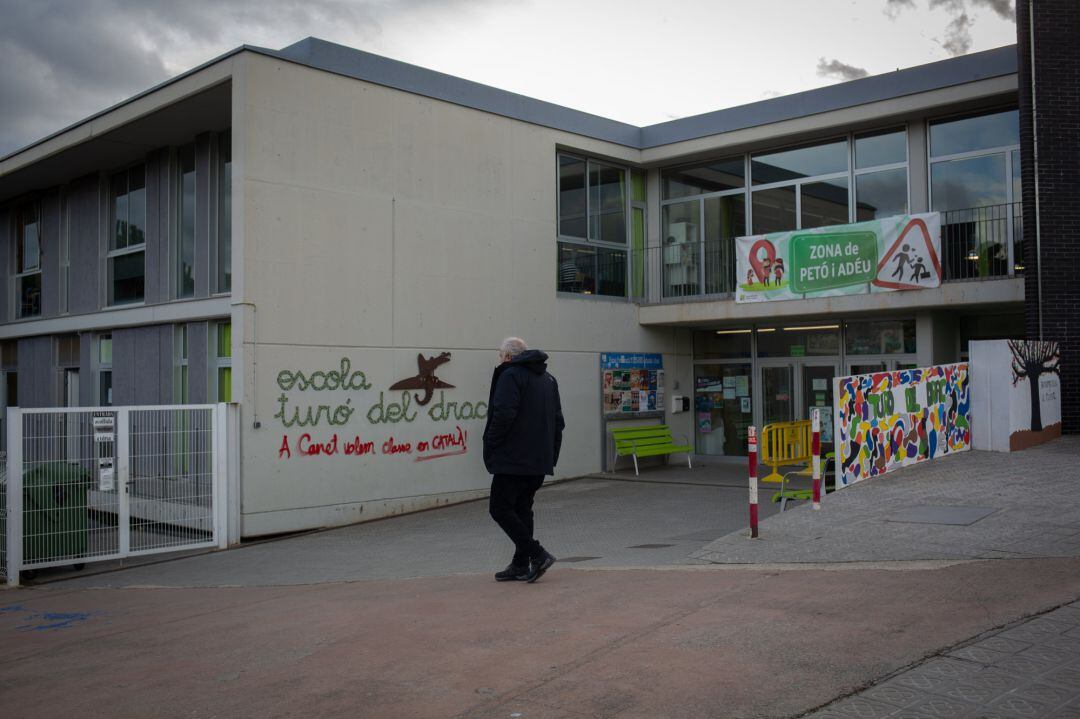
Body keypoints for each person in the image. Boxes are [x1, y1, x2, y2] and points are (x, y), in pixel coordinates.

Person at [483, 337, 565, 583]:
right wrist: (550, 454)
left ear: (508, 357)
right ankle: (520, 563)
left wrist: (491, 442)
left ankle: (537, 554)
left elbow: (503, 413)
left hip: (513, 458)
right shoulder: (549, 380)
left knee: (499, 508)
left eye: (501, 356)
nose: (500, 360)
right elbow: (558, 421)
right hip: (539, 458)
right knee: (522, 508)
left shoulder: (510, 375)